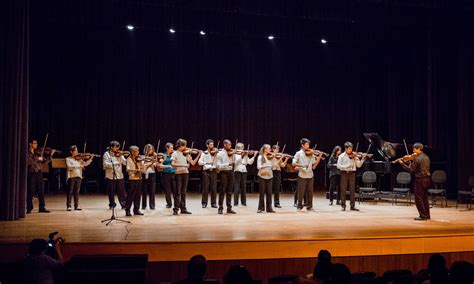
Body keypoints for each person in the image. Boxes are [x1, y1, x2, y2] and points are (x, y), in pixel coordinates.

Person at [398, 143, 431, 220]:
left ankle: (423, 216)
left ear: (419, 149)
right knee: (425, 198)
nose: (413, 150)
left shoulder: (417, 158)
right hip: (427, 179)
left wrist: (402, 163)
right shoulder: (426, 157)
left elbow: (410, 170)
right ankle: (427, 215)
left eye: (414, 149)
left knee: (418, 198)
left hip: (420, 179)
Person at [292, 138, 323, 211]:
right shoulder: (298, 153)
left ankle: (309, 206)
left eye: (308, 144)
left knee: (310, 191)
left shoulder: (311, 154)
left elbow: (314, 165)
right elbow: (293, 163)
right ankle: (299, 206)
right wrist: (301, 166)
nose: (308, 146)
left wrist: (319, 157)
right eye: (306, 144)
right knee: (301, 191)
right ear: (302, 145)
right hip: (302, 175)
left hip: (310, 175)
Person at [171, 139, 200, 215]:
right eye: (184, 145)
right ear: (180, 146)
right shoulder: (175, 153)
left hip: (185, 174)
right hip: (178, 174)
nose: (186, 147)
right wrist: (183, 165)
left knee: (183, 192)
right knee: (178, 192)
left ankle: (183, 208)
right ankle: (176, 209)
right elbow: (173, 164)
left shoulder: (186, 154)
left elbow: (193, 163)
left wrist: (198, 155)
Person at [27, 139, 56, 213]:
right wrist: (37, 159)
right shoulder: (27, 153)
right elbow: (28, 162)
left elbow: (45, 161)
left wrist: (50, 155)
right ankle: (29, 208)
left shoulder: (38, 153)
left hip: (39, 173)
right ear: (30, 144)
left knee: (41, 190)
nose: (36, 144)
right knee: (31, 191)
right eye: (35, 143)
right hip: (31, 173)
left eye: (36, 143)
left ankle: (42, 207)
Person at [337, 142, 366, 211]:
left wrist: (362, 159)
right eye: (349, 149)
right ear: (346, 148)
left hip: (352, 174)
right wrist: (346, 167)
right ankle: (343, 205)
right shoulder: (341, 156)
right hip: (344, 173)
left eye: (351, 149)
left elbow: (358, 165)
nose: (351, 150)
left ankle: (352, 206)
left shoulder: (354, 156)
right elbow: (338, 165)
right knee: (343, 190)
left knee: (352, 190)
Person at [65, 145, 94, 211]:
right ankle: (68, 206)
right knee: (70, 191)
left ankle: (76, 206)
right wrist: (79, 166)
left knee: (77, 192)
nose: (77, 152)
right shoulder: (68, 159)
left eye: (77, 150)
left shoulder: (79, 159)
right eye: (75, 150)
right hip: (71, 177)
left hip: (79, 176)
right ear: (71, 151)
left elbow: (85, 164)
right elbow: (69, 167)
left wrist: (90, 158)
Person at [102, 141, 127, 210]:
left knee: (122, 191)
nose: (118, 148)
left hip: (119, 175)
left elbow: (125, 163)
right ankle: (112, 205)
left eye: (118, 147)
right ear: (111, 147)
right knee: (111, 191)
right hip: (110, 175)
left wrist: (129, 157)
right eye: (116, 147)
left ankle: (124, 204)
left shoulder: (120, 154)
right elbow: (106, 164)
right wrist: (117, 162)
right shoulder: (106, 154)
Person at [216, 140, 236, 215]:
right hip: (223, 173)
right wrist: (228, 164)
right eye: (229, 145)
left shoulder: (232, 153)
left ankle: (229, 208)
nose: (230, 146)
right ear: (225, 145)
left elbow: (235, 162)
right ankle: (220, 208)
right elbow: (218, 166)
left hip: (231, 172)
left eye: (231, 145)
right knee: (222, 190)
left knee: (230, 191)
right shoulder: (220, 154)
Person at [126, 145, 147, 216]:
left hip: (139, 179)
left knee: (138, 196)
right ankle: (127, 210)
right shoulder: (129, 159)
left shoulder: (139, 159)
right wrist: (137, 170)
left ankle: (136, 210)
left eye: (138, 151)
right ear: (132, 152)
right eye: (136, 151)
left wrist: (144, 164)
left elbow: (143, 168)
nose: (138, 152)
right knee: (130, 196)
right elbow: (128, 169)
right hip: (132, 179)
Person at [198, 139, 218, 208]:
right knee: (205, 187)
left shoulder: (216, 153)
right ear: (207, 145)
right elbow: (199, 162)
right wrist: (206, 163)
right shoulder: (204, 153)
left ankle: (213, 203)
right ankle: (204, 203)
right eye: (211, 144)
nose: (212, 146)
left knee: (214, 187)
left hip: (214, 171)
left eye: (213, 144)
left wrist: (217, 153)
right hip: (206, 171)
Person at [257, 144, 274, 213]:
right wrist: (267, 165)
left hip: (269, 176)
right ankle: (260, 208)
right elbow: (258, 167)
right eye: (269, 148)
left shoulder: (270, 157)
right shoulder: (260, 157)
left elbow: (272, 166)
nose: (270, 150)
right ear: (265, 149)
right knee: (262, 193)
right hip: (262, 176)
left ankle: (269, 208)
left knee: (269, 193)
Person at [141, 144, 159, 210]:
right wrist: (150, 162)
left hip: (152, 174)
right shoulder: (143, 156)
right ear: (146, 149)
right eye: (149, 149)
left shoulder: (154, 156)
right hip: (144, 173)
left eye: (151, 149)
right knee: (144, 190)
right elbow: (143, 165)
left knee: (152, 190)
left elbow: (155, 165)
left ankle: (152, 205)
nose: (151, 150)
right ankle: (143, 205)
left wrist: (154, 162)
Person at [161, 143, 175, 208]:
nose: (172, 149)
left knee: (175, 189)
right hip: (165, 174)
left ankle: (176, 203)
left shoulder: (174, 154)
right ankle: (169, 203)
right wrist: (168, 165)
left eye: (173, 147)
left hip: (174, 173)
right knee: (167, 190)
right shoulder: (163, 155)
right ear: (167, 148)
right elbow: (160, 165)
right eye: (171, 148)